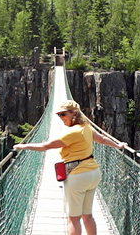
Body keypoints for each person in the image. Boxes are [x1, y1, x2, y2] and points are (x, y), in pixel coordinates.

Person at [14, 100, 128, 235]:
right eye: (59, 115)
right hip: (93, 174)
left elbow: (46, 146)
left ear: (74, 113)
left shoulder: (72, 133)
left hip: (77, 176)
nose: (61, 118)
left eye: (63, 114)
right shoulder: (86, 126)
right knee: (87, 216)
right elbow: (102, 139)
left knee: (73, 219)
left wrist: (24, 146)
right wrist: (118, 145)